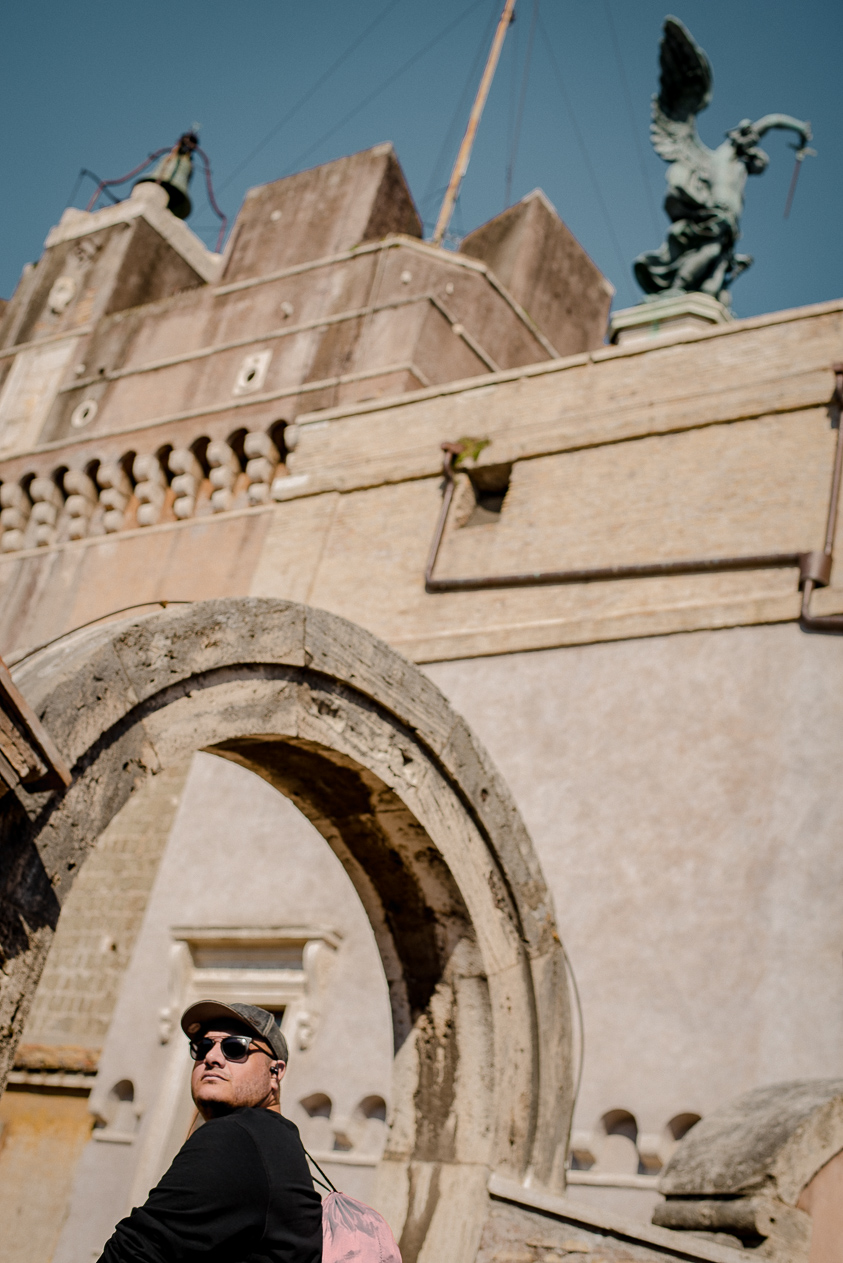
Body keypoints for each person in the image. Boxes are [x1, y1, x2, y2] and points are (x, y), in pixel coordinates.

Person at [98, 1000, 323, 1263]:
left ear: (275, 1072)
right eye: (203, 1046)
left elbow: (135, 1252)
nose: (211, 1058)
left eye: (235, 1047)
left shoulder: (236, 1136)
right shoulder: (275, 1141)